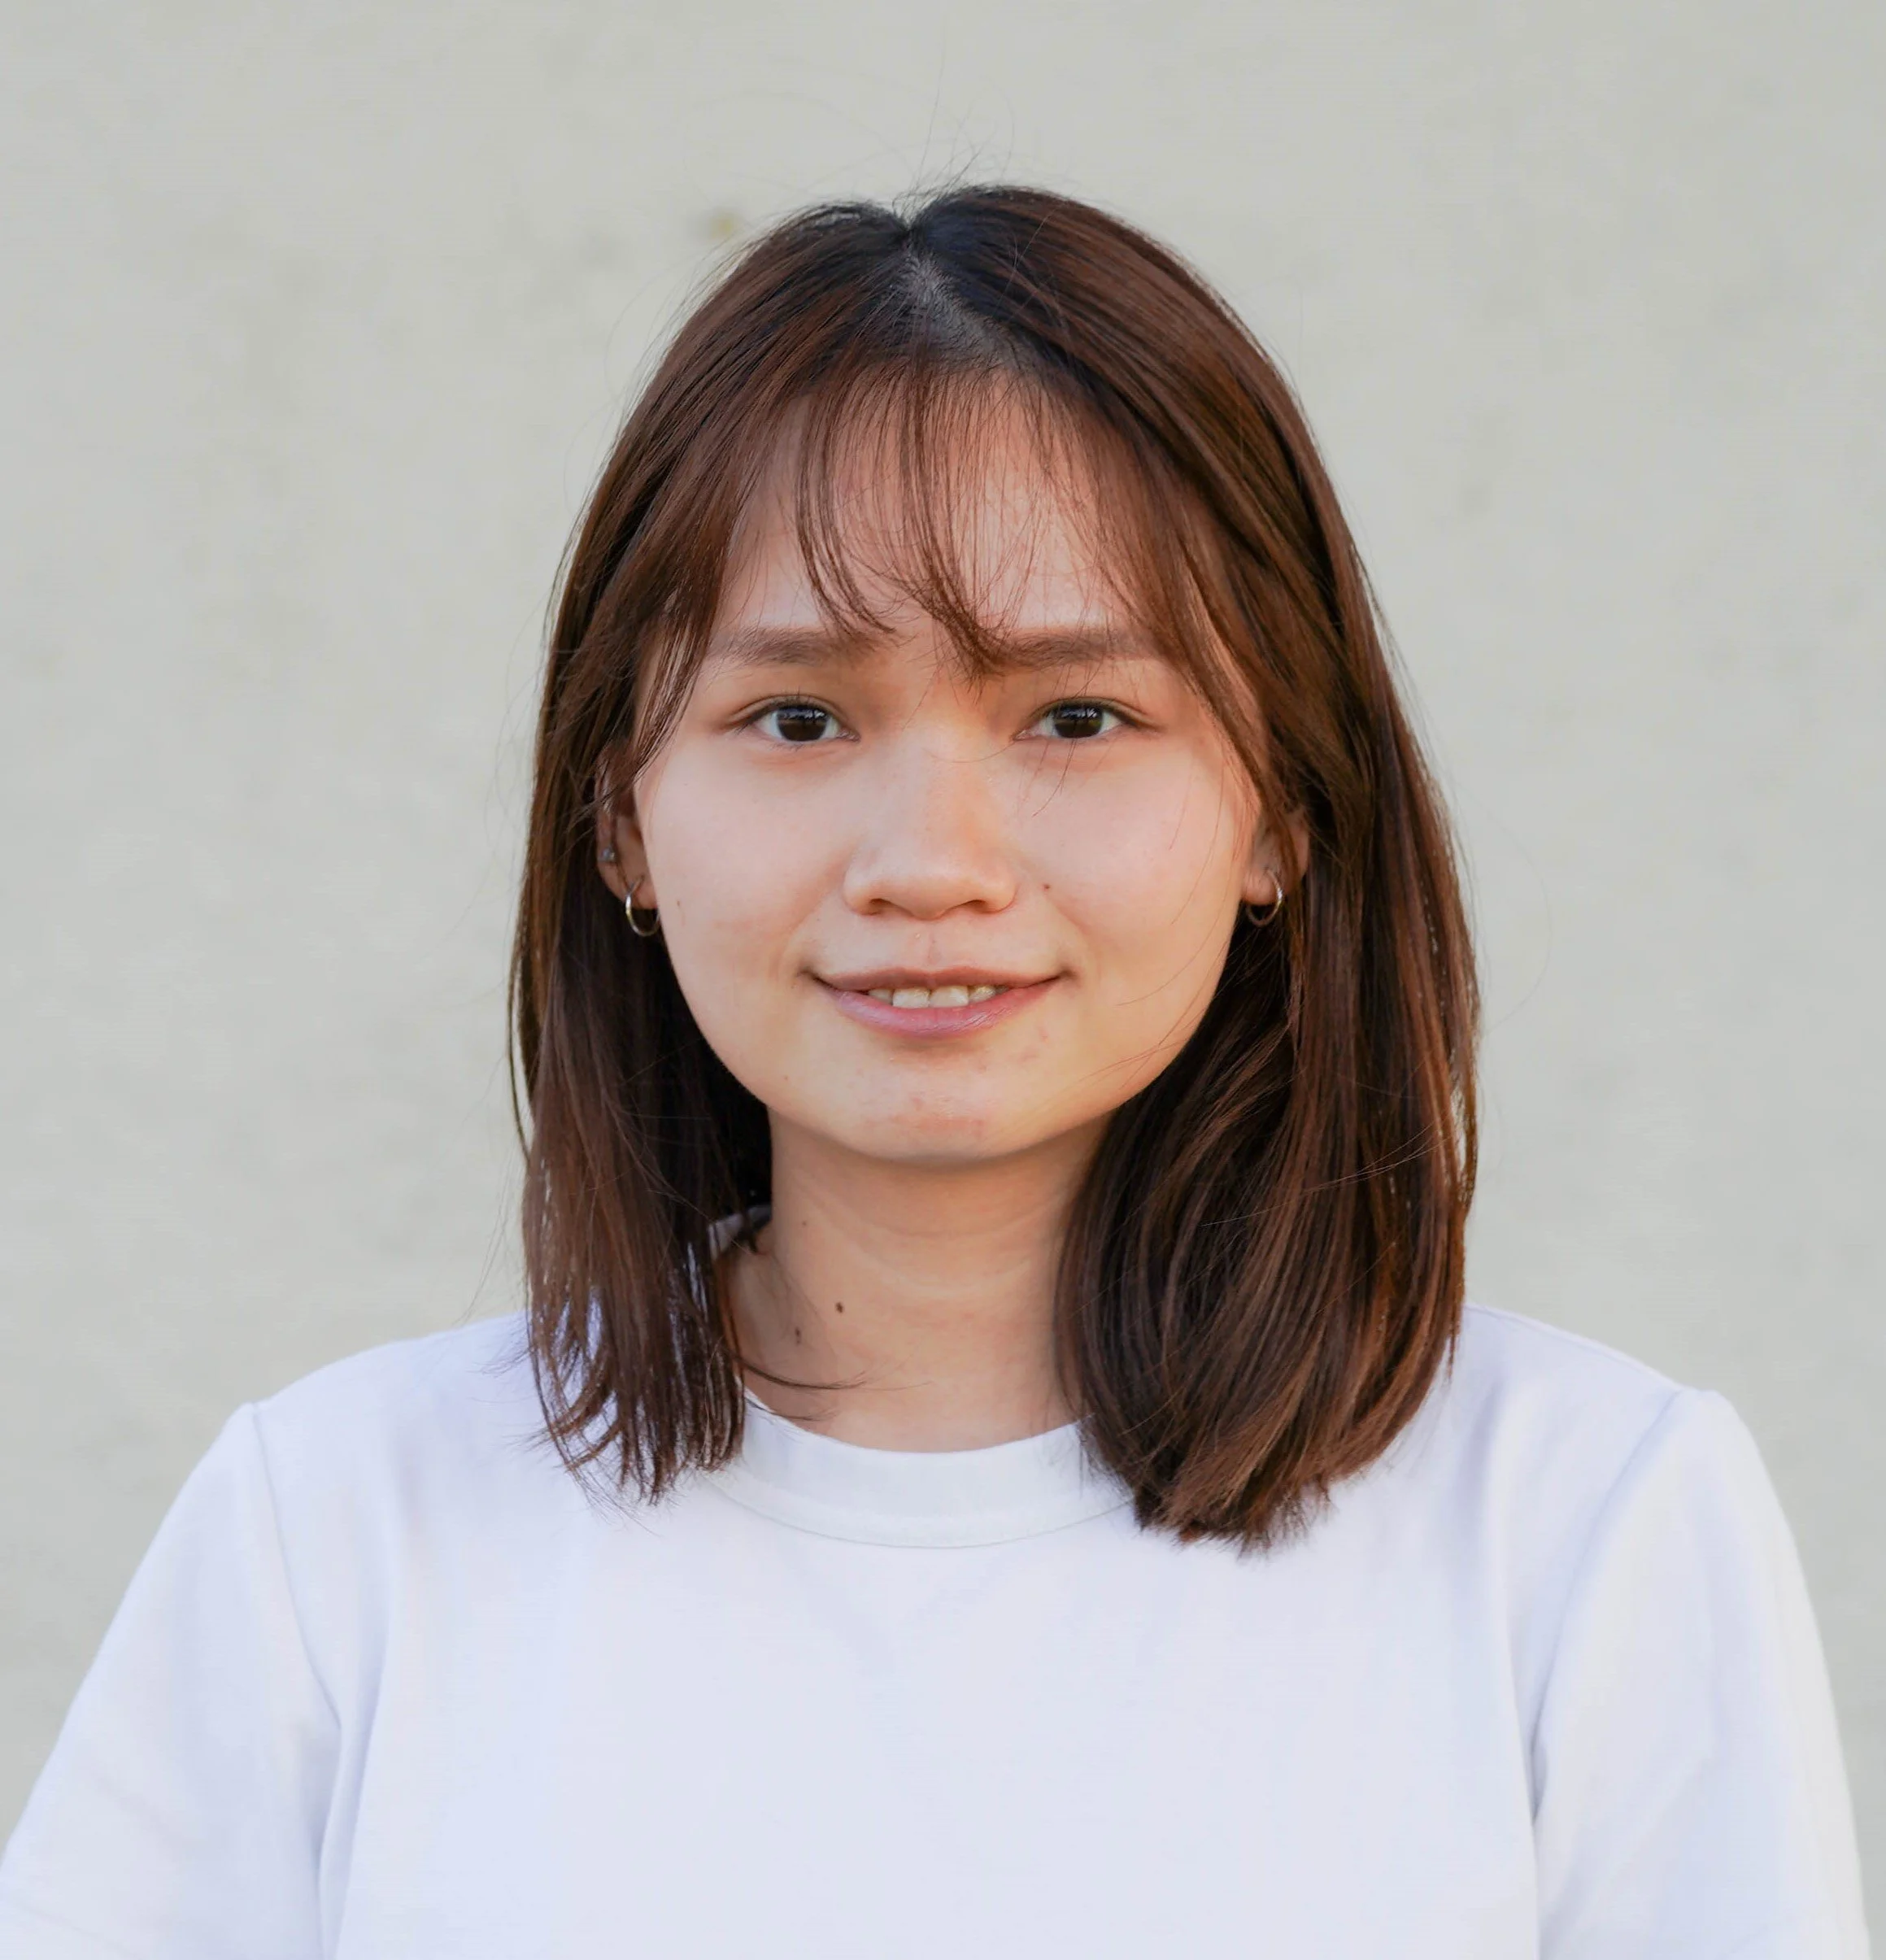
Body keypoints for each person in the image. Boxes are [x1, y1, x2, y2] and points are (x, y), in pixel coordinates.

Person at [0, 185, 1868, 1959]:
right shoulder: (335, 1531)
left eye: (1076, 714)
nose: (931, 856)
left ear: (1281, 808)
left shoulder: (1582, 1520)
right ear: (620, 821)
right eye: (796, 716)